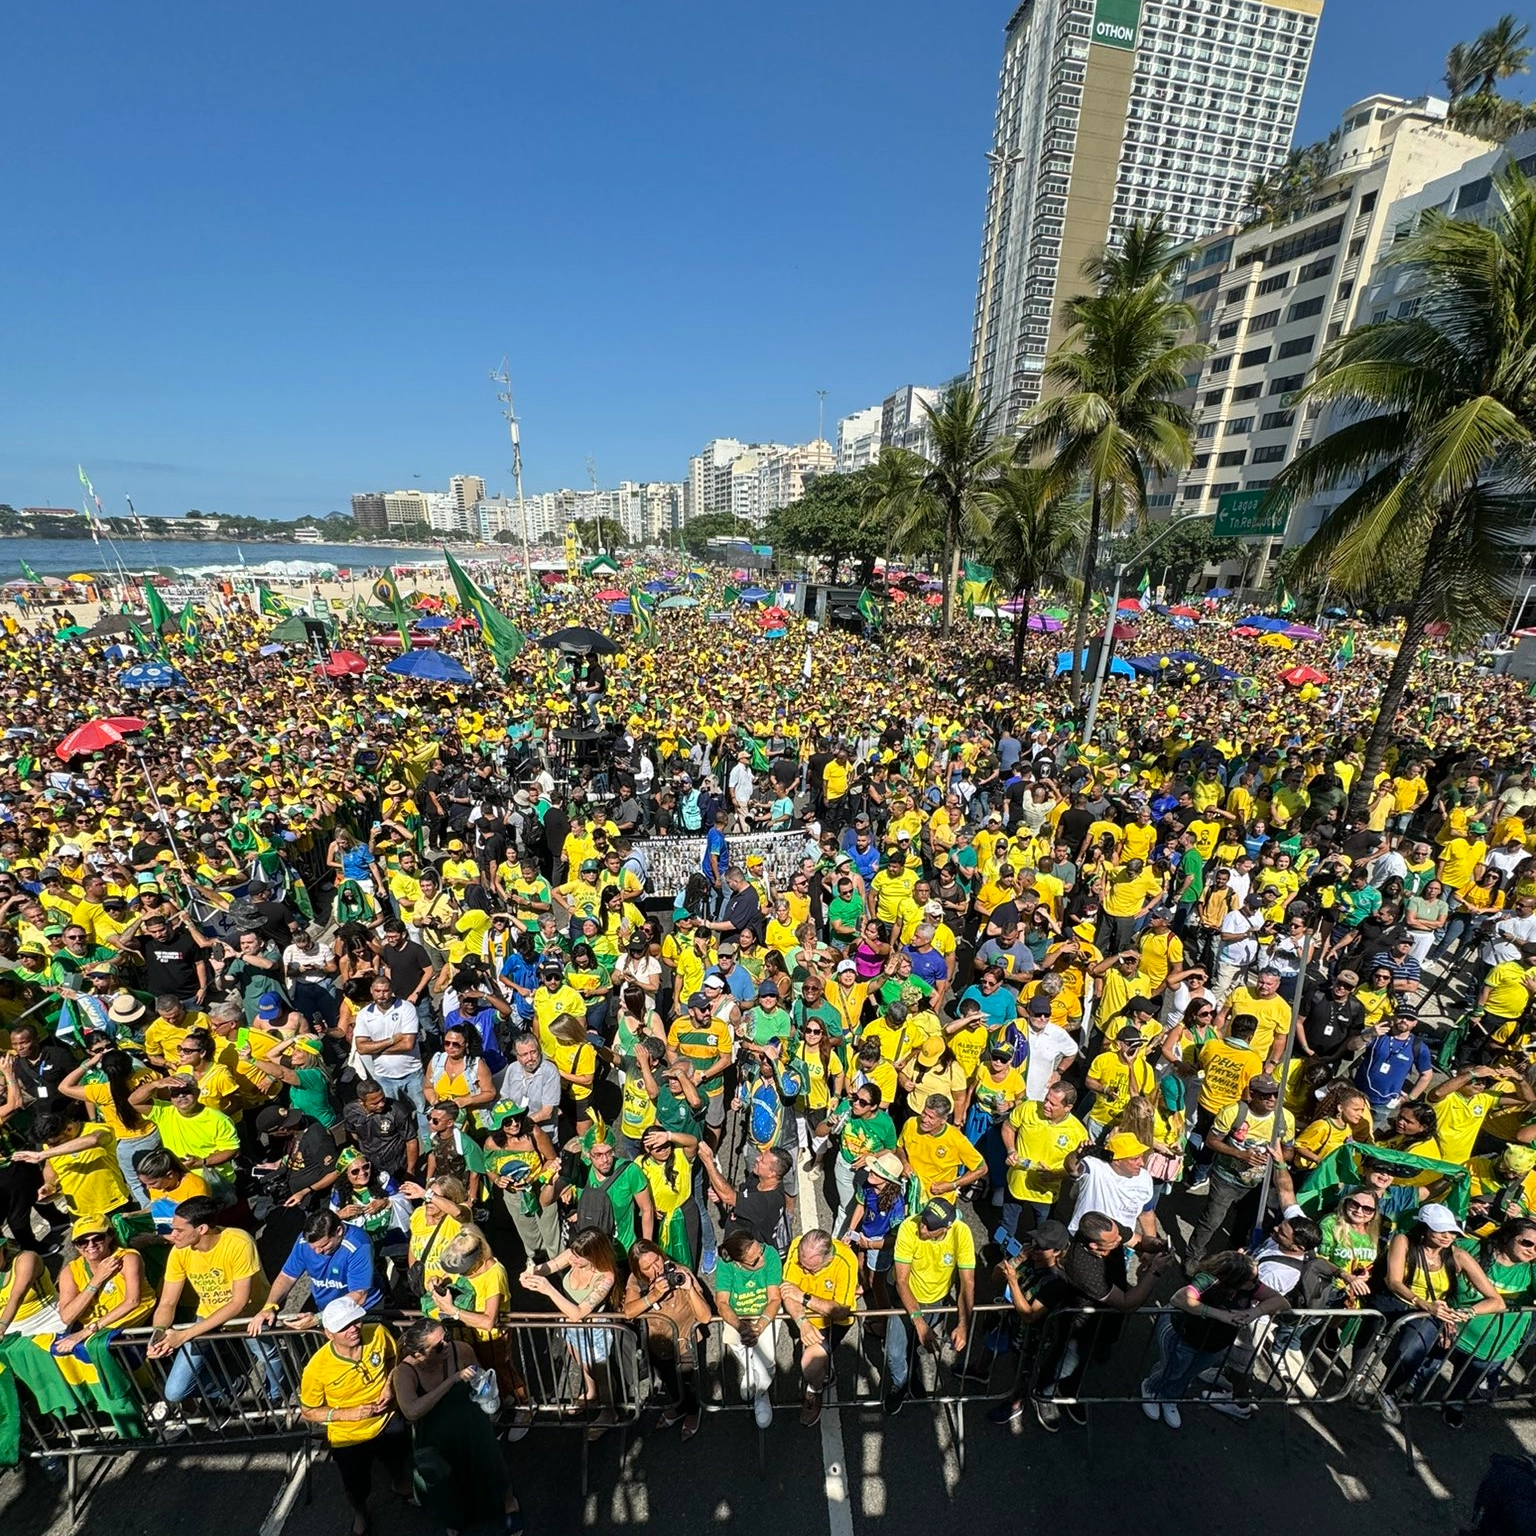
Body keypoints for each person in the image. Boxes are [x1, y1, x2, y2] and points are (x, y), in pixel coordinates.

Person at [147, 1196, 282, 1419]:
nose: (173, 1235)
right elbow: (168, 1302)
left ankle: (275, 1400)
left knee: (267, 1354)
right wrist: (158, 1335)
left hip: (250, 1314)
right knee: (174, 1391)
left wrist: (185, 1335)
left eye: (179, 1230)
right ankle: (228, 1387)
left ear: (201, 1228)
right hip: (208, 1314)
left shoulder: (239, 1242)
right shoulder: (179, 1251)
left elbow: (238, 1302)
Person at [1370, 1203, 1504, 1424]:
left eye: (1451, 1231)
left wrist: (1466, 1313)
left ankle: (1388, 1390)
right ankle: (1355, 1374)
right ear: (1423, 1227)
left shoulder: (1458, 1256)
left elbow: (1496, 1301)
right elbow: (1393, 1281)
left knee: (1410, 1351)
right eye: (1440, 1230)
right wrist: (1421, 1302)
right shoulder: (1403, 1241)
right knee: (1367, 1331)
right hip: (1396, 1300)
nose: (1447, 1236)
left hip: (1429, 1310)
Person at [393, 1315, 522, 1534]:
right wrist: (451, 1380)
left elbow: (479, 1377)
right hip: (435, 1433)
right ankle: (454, 1517)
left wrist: (486, 1391)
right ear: (418, 1354)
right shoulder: (405, 1372)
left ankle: (509, 1504)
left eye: (447, 1337)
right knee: (445, 1480)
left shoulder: (459, 1350)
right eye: (438, 1345)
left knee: (491, 1466)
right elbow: (411, 1411)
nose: (446, 1345)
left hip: (471, 1424)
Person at [1141, 1251, 1289, 1427]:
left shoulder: (1252, 1287)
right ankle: (1152, 1389)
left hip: (1215, 1343)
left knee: (1190, 1372)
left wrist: (1254, 1312)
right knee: (1173, 1369)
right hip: (1183, 1335)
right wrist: (1221, 1315)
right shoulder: (1208, 1280)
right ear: (1233, 1280)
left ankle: (1170, 1397)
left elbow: (1281, 1302)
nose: (1257, 1283)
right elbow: (1179, 1298)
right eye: (1251, 1280)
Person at [298, 1296, 406, 1536]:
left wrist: (390, 1384)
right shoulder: (316, 1369)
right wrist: (349, 1413)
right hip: (349, 1437)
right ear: (329, 1334)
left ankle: (400, 1484)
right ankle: (360, 1513)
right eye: (344, 1326)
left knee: (397, 1458)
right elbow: (308, 1411)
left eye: (356, 1321)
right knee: (356, 1486)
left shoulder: (377, 1332)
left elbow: (395, 1357)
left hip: (387, 1420)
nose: (354, 1329)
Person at [520, 1226, 624, 1440]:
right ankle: (591, 1393)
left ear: (595, 1255)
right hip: (571, 1325)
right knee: (579, 1360)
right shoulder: (575, 1253)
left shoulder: (606, 1277)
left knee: (599, 1370)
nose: (573, 1260)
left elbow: (579, 1312)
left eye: (579, 1259)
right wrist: (532, 1273)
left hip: (595, 1329)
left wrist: (548, 1289)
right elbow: (549, 1266)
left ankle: (609, 1411)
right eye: (573, 1255)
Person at [884, 1196, 974, 1416]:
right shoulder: (909, 1227)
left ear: (947, 1227)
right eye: (923, 1220)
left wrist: (963, 1324)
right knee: (895, 1353)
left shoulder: (961, 1233)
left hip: (937, 1302)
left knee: (916, 1345)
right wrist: (918, 1320)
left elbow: (967, 1282)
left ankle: (911, 1376)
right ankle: (900, 1383)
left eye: (930, 1227)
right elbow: (902, 1281)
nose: (922, 1228)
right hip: (906, 1299)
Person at [250, 1209, 383, 1331]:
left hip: (361, 1310)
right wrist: (269, 1306)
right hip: (325, 1308)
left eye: (324, 1245)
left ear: (339, 1231)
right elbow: (287, 1276)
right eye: (313, 1247)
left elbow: (359, 1295)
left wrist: (318, 1318)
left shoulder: (359, 1244)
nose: (318, 1251)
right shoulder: (303, 1242)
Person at [781, 1225, 860, 1426]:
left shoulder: (846, 1261)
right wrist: (802, 1322)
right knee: (813, 1363)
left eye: (810, 1269)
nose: (804, 1270)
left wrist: (804, 1297)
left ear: (829, 1260)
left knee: (810, 1363)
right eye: (802, 1265)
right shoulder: (798, 1246)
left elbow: (841, 1310)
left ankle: (813, 1391)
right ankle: (821, 1377)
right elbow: (787, 1292)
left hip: (832, 1324)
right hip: (806, 1319)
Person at [712, 1226, 784, 1429]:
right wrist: (740, 1326)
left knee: (768, 1362)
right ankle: (751, 1372)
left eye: (759, 1251)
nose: (761, 1260)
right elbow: (722, 1303)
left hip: (765, 1314)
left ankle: (762, 1395)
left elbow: (774, 1298)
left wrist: (759, 1326)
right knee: (742, 1350)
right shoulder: (726, 1264)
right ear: (737, 1262)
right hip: (738, 1315)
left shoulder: (769, 1254)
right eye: (754, 1261)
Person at [54, 1214, 155, 1351]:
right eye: (82, 1242)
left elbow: (132, 1302)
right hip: (99, 1334)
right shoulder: (70, 1271)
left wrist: (89, 1330)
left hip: (132, 1328)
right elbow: (67, 1317)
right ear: (76, 1246)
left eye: (97, 1238)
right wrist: (97, 1280)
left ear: (110, 1236)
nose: (91, 1245)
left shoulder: (128, 1259)